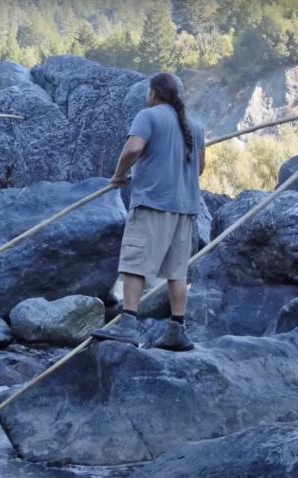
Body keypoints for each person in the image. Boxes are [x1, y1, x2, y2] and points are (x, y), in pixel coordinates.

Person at [90, 73, 205, 352]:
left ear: (154, 93)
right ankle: (177, 330)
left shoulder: (148, 116)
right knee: (177, 272)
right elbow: (199, 168)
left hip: (153, 203)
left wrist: (119, 174)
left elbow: (133, 148)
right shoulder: (196, 127)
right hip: (185, 209)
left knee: (134, 263)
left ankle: (127, 324)